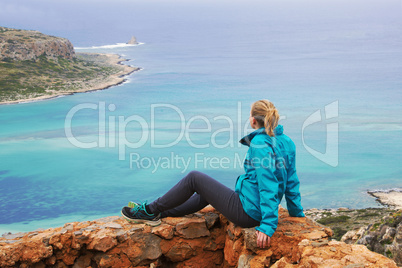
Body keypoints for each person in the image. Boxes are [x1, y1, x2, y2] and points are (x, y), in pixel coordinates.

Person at [121, 99, 304, 248]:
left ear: (253, 121)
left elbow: (268, 186)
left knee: (194, 178)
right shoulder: (287, 142)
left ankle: (149, 210)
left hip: (249, 213)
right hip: (251, 205)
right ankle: (161, 212)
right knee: (204, 193)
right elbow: (291, 183)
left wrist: (268, 225)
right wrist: (297, 213)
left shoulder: (260, 145)